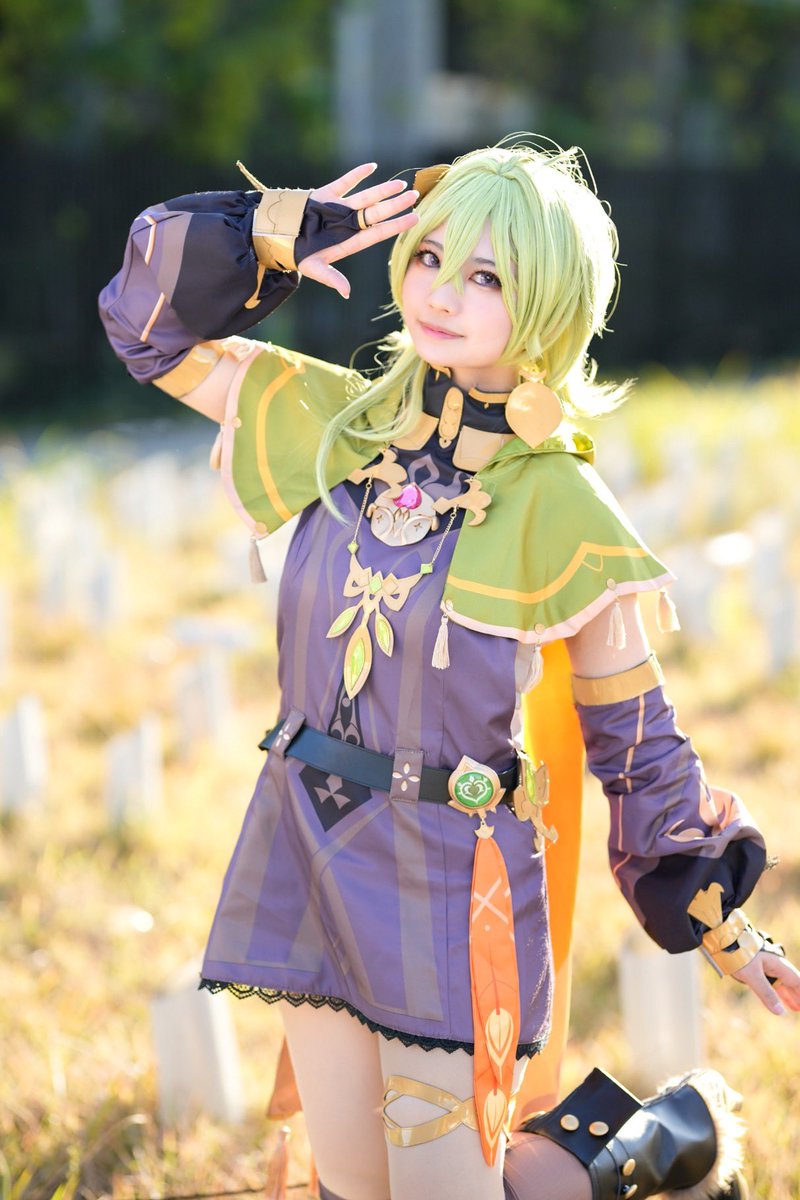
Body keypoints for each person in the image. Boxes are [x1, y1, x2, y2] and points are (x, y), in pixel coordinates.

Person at [99, 140, 800, 1200]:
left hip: (446, 876)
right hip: (305, 839)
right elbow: (144, 325)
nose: (440, 292)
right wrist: (271, 237)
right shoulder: (335, 425)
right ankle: (648, 1141)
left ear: (549, 302)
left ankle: (634, 1147)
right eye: (430, 257)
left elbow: (634, 735)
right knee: (355, 1187)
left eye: (487, 276)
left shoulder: (559, 503)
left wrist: (725, 926)